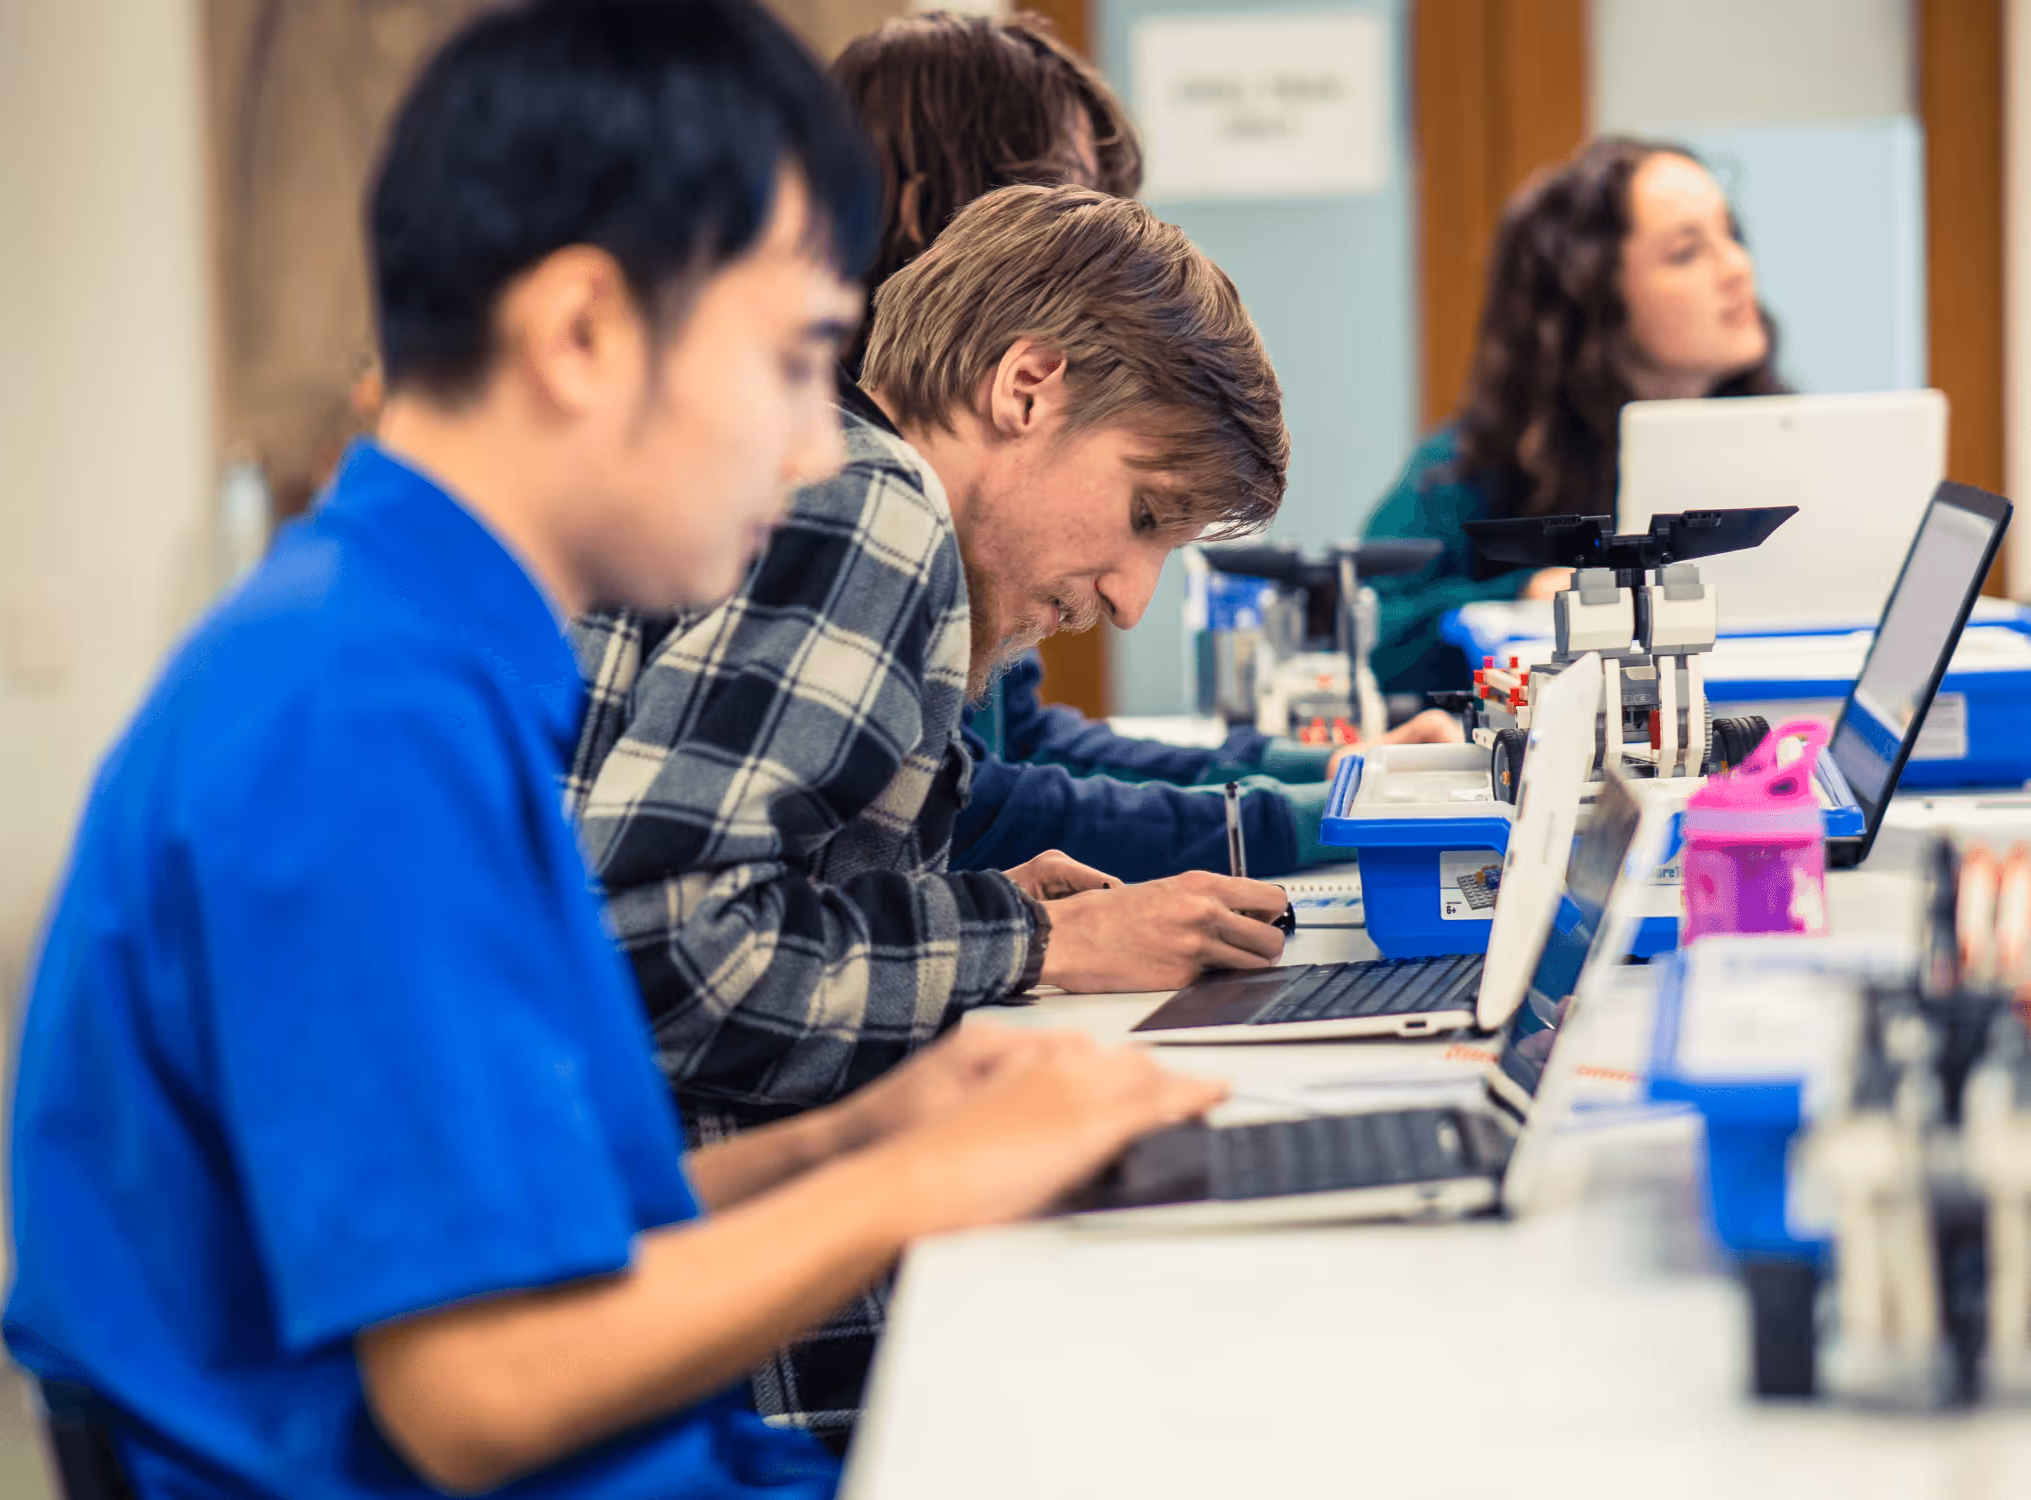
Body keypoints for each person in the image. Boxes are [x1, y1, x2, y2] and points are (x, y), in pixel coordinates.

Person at [0, 5, 1227, 1497]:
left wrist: (870, 1136)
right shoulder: (355, 724)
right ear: (581, 334)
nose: (810, 450)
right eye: (788, 362)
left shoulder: (429, 660)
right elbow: (477, 1390)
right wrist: (918, 1179)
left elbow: (552, 1223)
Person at [567, 181, 1293, 1434]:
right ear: (1028, 388)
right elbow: (666, 956)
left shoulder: (809, 474)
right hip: (721, 1358)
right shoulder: (870, 508)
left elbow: (729, 891)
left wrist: (981, 909)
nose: (1131, 599)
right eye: (1143, 517)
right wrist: (1035, 945)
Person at [831, 10, 1457, 884]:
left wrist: (1332, 776)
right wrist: (1324, 809)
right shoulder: (845, 510)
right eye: (1054, 193)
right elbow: (974, 815)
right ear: (919, 204)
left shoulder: (965, 505)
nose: (1080, 230)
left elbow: (1006, 752)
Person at [1364, 134, 1786, 695]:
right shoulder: (1471, 463)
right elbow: (1368, 630)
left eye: (1731, 236)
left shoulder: (1784, 438)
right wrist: (1526, 594)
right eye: (1686, 253)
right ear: (1592, 295)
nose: (1737, 267)